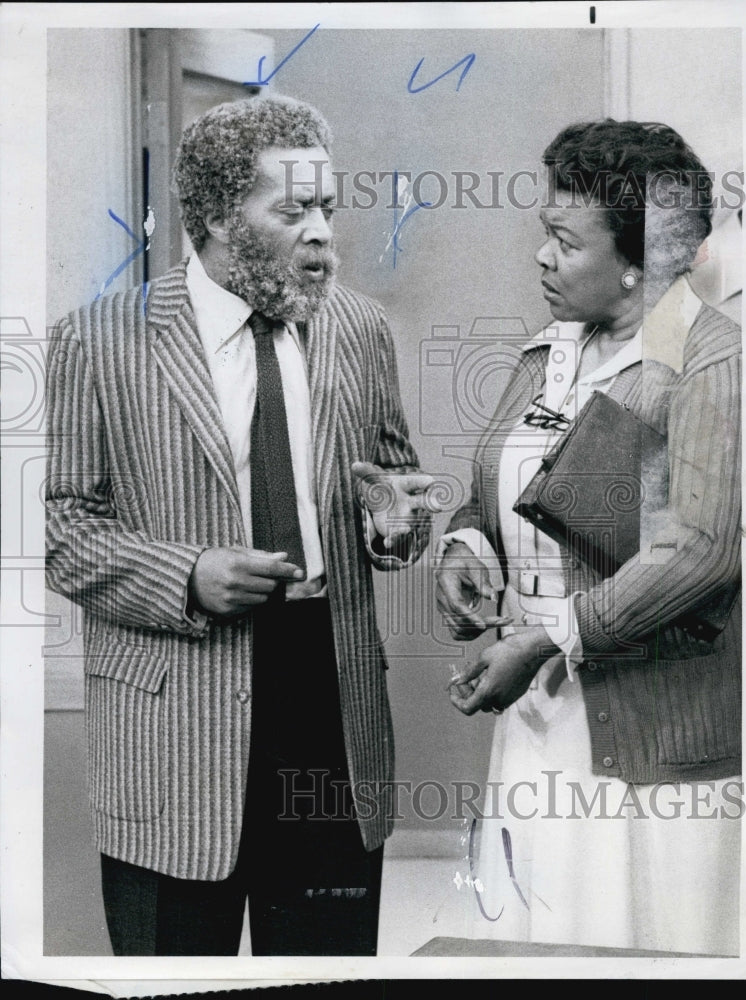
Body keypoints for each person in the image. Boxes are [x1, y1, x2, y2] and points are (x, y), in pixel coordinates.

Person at [45, 95, 431, 956]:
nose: (323, 232)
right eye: (293, 211)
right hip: (171, 730)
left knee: (325, 966)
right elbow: (58, 527)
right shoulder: (99, 341)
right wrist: (184, 576)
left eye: (328, 206)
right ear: (220, 217)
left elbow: (394, 489)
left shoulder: (361, 330)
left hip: (330, 709)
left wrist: (398, 526)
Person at [436, 120, 741, 955]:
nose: (542, 257)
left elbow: (703, 549)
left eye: (566, 242)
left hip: (651, 737)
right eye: (544, 233)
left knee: (633, 949)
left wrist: (550, 637)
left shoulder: (711, 363)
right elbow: (498, 493)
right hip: (536, 715)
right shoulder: (549, 353)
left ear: (642, 261)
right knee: (531, 949)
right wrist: (468, 550)